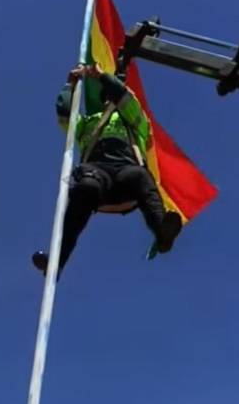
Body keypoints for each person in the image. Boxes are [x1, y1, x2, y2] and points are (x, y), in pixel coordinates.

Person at [31, 63, 182, 278]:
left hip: (126, 174)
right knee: (86, 187)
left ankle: (162, 232)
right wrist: (70, 86)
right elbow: (66, 115)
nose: (111, 100)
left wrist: (102, 76)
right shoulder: (89, 122)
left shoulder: (134, 118)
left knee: (139, 175)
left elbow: (124, 96)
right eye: (107, 98)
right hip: (97, 174)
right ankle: (57, 260)